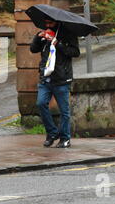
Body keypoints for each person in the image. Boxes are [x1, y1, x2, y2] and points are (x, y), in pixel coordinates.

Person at [29, 19, 80, 148]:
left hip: (62, 78)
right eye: (45, 23)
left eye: (50, 23)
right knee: (40, 103)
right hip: (46, 77)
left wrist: (57, 43)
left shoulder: (68, 33)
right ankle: (52, 133)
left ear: (56, 22)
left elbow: (75, 52)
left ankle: (65, 138)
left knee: (64, 111)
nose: (47, 25)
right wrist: (38, 37)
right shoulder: (45, 33)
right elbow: (33, 49)